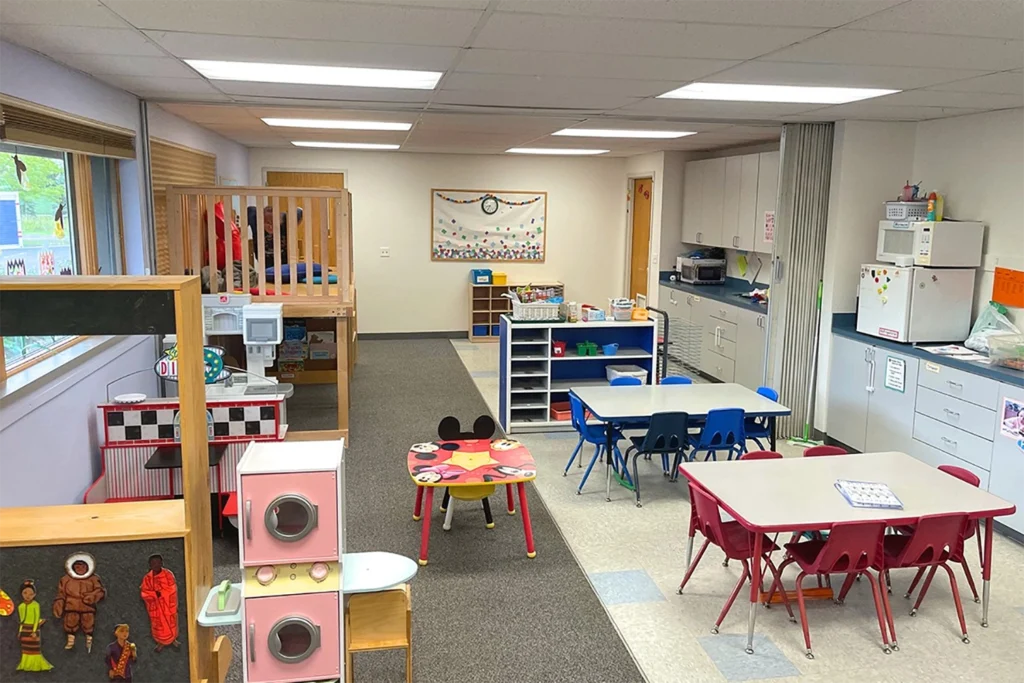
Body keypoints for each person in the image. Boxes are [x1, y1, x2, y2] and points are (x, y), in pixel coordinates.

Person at [53, 552, 106, 653]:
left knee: (88, 623)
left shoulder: (93, 579)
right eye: (77, 567)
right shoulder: (66, 580)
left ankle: (89, 641)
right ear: (72, 567)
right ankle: (70, 641)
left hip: (87, 607)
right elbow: (61, 594)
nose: (80, 569)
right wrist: (59, 604)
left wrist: (92, 597)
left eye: (82, 567)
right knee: (70, 623)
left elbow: (100, 591)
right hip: (71, 606)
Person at [140, 554, 180, 652]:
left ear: (162, 563)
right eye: (153, 563)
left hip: (167, 606)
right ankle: (160, 642)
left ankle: (173, 639)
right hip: (156, 608)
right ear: (150, 565)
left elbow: (172, 589)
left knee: (171, 623)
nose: (156, 565)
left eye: (158, 563)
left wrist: (161, 593)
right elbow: (144, 593)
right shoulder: (147, 578)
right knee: (158, 626)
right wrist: (154, 594)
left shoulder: (168, 575)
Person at [16, 580, 54, 672]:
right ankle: (25, 664)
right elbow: (21, 621)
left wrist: (34, 631)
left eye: (31, 594)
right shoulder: (20, 606)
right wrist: (20, 632)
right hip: (24, 629)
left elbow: (36, 618)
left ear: (34, 594)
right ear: (21, 593)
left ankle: (37, 665)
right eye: (25, 593)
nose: (28, 596)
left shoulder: (36, 605)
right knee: (25, 649)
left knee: (35, 649)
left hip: (33, 629)